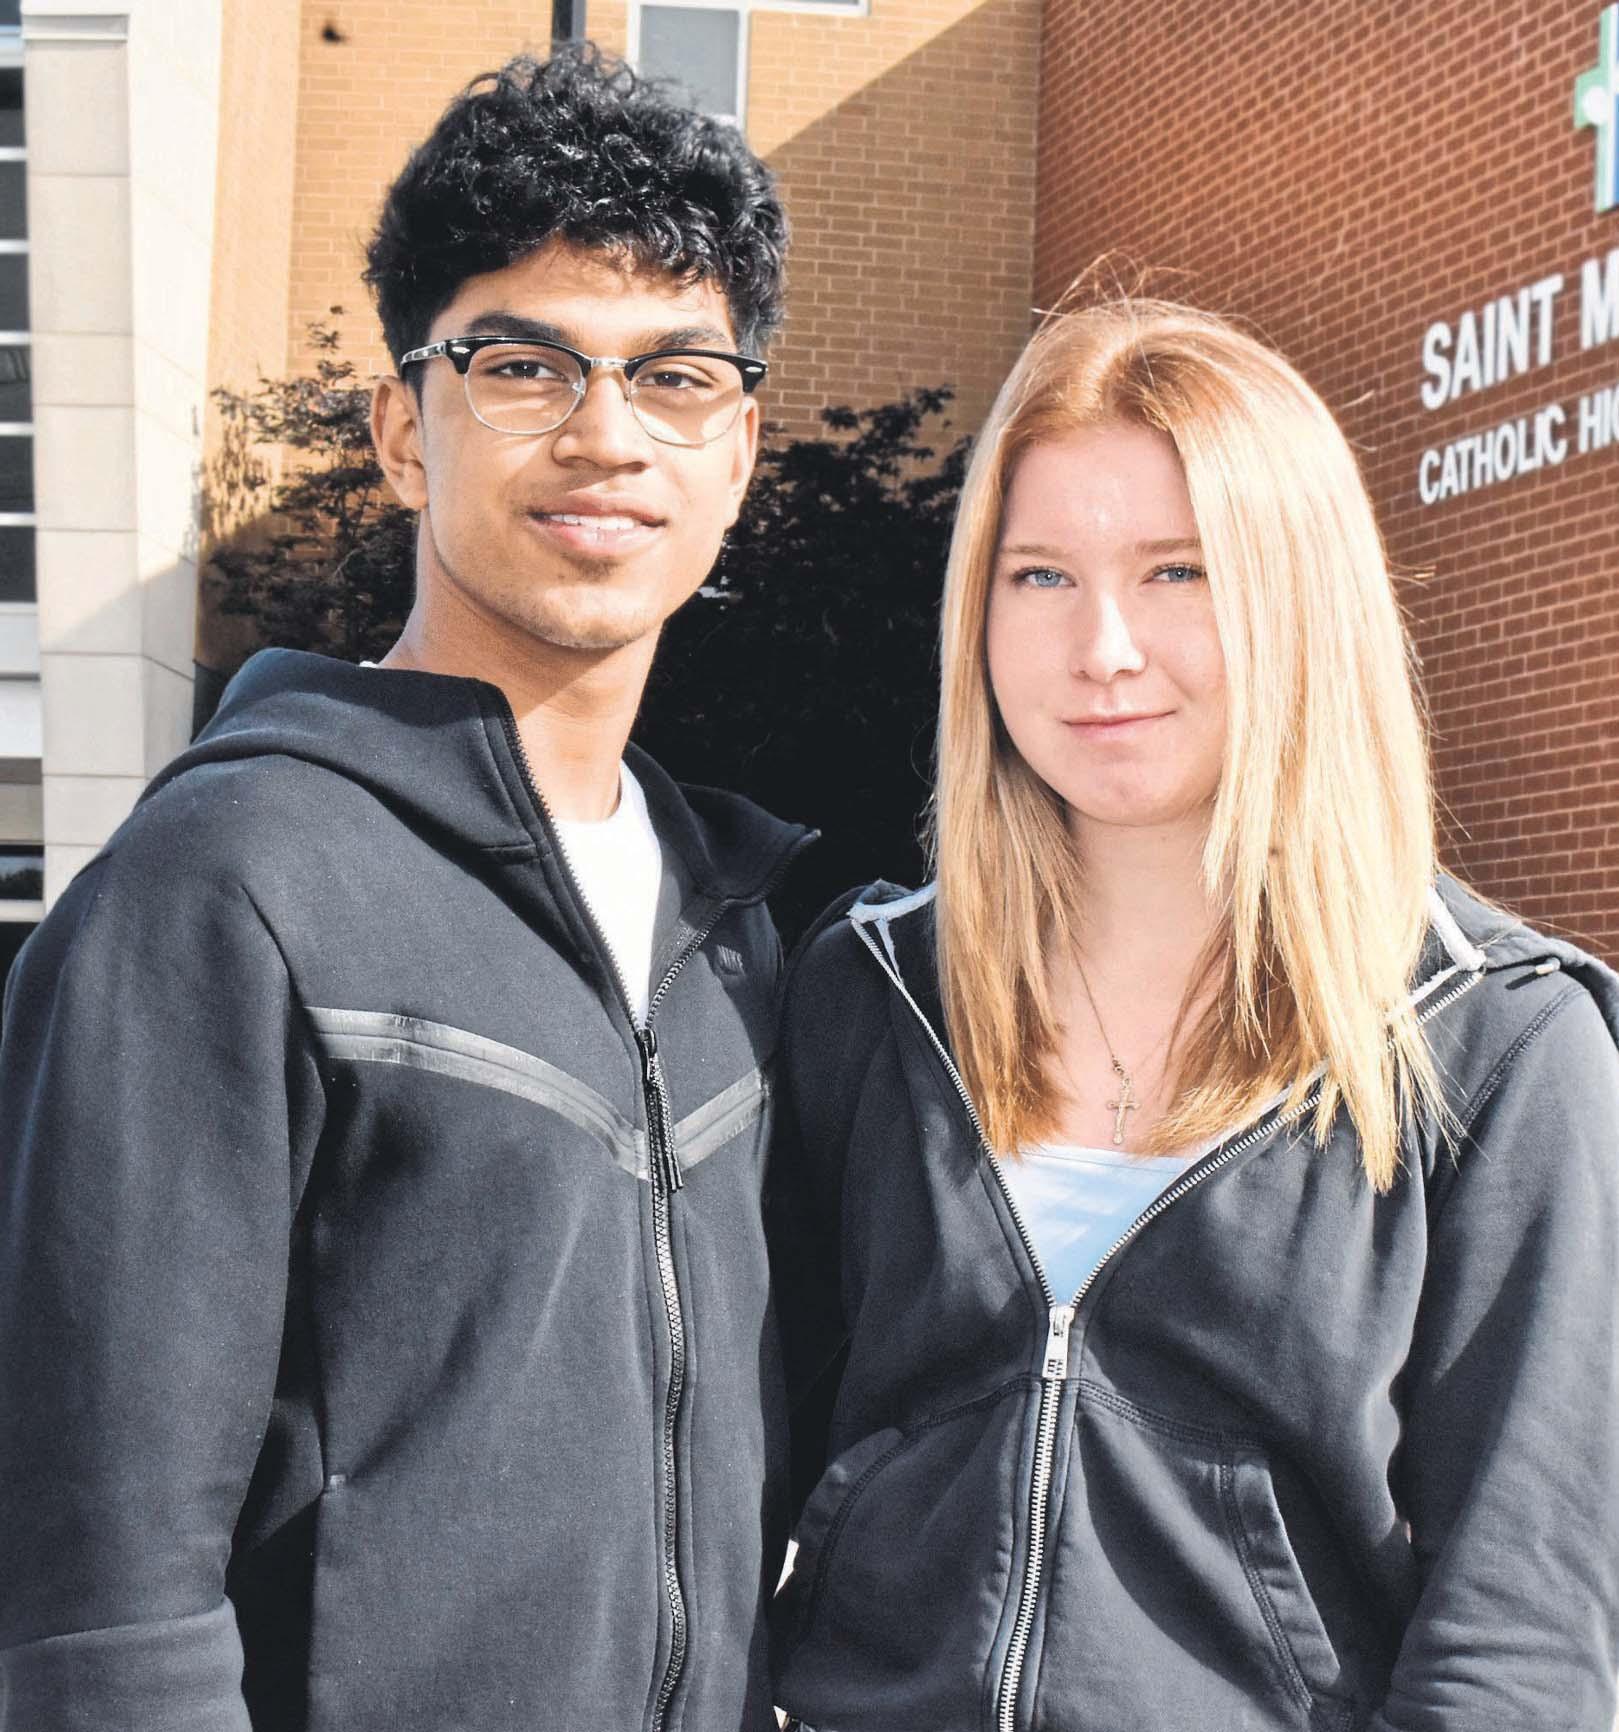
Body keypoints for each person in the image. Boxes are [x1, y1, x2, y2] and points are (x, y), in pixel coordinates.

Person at [0, 49, 810, 1732]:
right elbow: (102, 1601)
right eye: (523, 365)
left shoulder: (736, 937)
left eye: (675, 377)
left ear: (738, 451)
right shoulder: (227, 887)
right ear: (401, 433)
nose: (605, 436)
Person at [771, 297, 1619, 1732]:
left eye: (1179, 571)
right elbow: (728, 1483)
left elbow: (1523, 1648)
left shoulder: (1500, 1046)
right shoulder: (871, 994)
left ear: (1299, 601)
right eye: (1041, 575)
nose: (1102, 646)